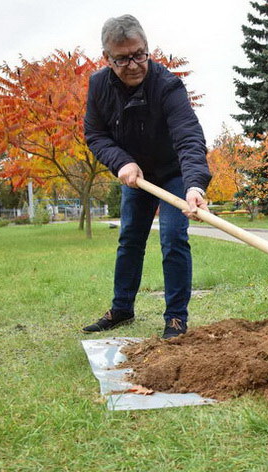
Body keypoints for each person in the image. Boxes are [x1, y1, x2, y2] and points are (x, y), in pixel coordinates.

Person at [82, 14, 212, 339]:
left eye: (139, 54)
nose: (134, 64)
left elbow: (188, 136)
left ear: (147, 49)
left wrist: (195, 183)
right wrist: (121, 162)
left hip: (174, 173)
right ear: (107, 59)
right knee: (130, 240)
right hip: (135, 174)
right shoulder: (99, 86)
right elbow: (95, 133)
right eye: (122, 59)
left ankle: (176, 320)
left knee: (173, 238)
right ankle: (122, 308)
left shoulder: (167, 85)